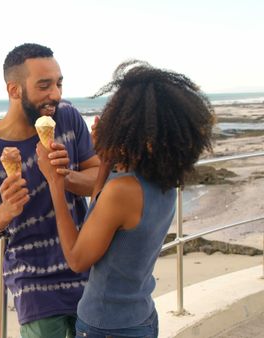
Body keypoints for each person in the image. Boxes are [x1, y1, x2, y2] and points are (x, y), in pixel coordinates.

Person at [36, 60, 215, 338]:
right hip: (140, 316)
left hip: (106, 325)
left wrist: (55, 183)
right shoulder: (164, 180)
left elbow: (76, 258)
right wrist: (105, 163)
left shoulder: (123, 191)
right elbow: (102, 213)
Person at [0, 43, 100, 338]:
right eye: (44, 86)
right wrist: (4, 212)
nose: (56, 95)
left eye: (59, 83)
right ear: (14, 90)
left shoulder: (67, 116)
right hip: (35, 288)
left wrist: (65, 176)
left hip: (89, 271)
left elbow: (99, 177)